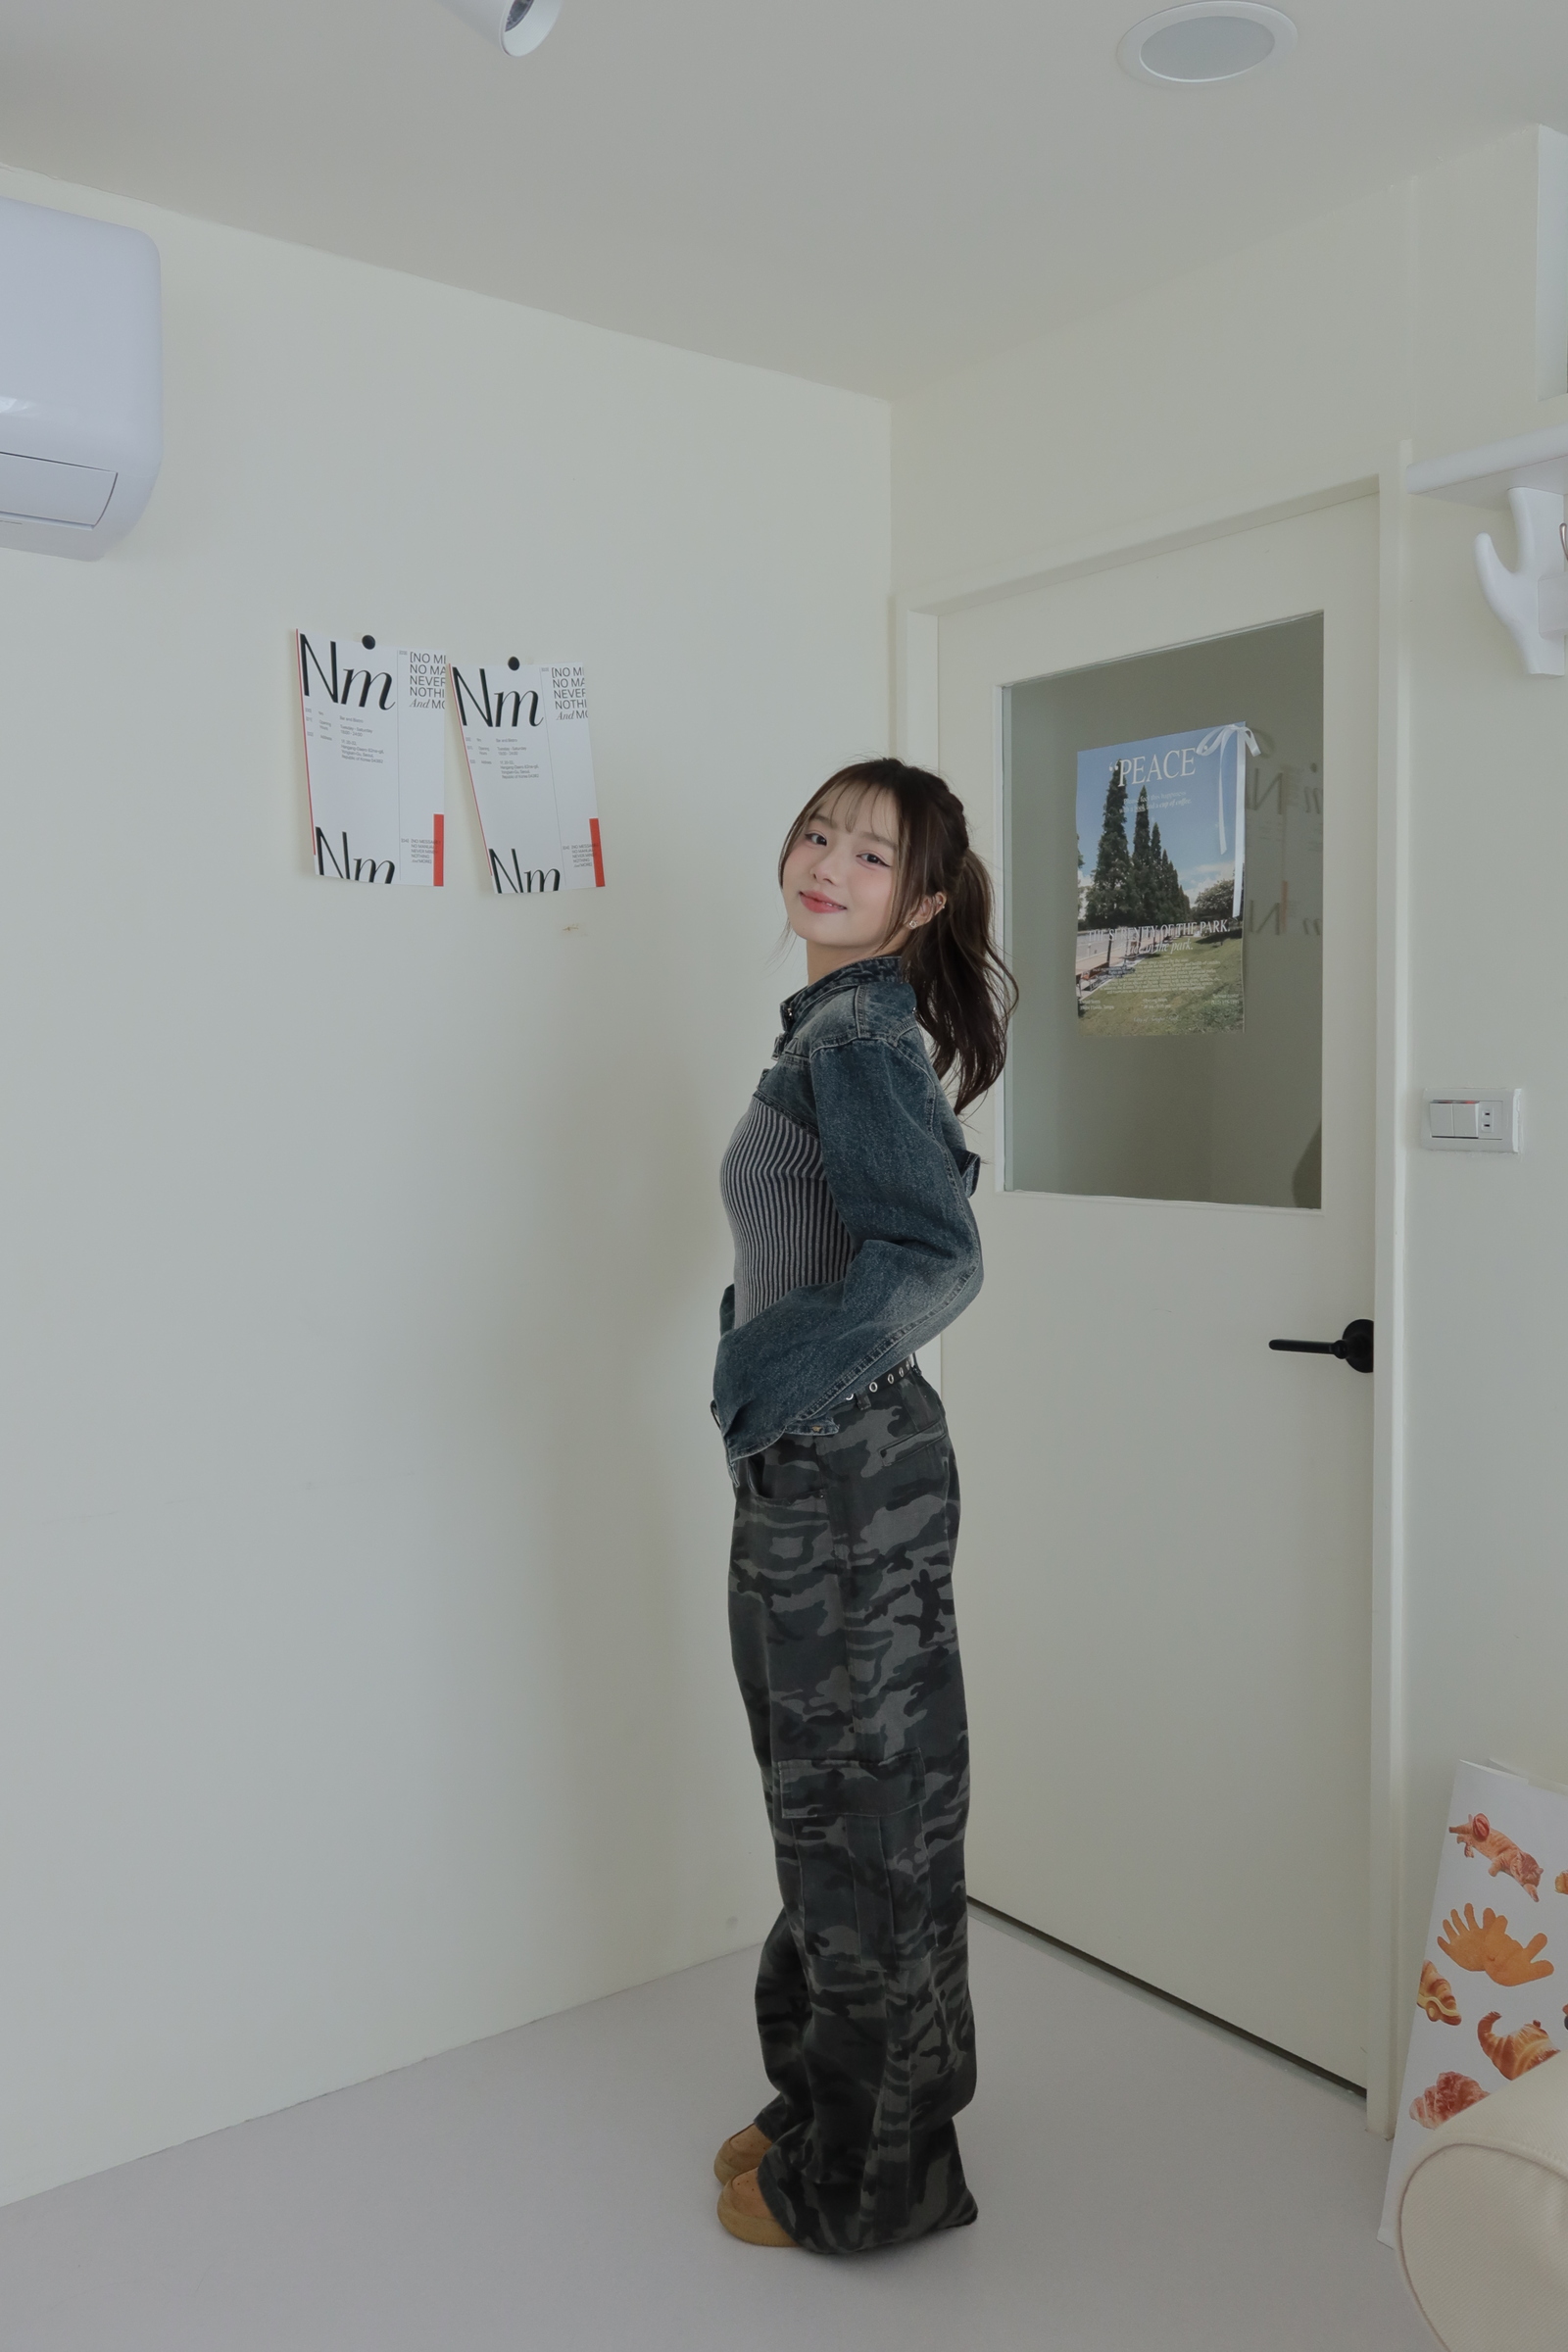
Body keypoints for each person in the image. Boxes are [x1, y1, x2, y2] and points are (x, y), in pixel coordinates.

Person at [710, 757, 1015, 2255]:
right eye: (819, 832)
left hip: (843, 1474)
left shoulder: (859, 1032)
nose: (828, 863)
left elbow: (937, 1256)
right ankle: (834, 2105)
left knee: (861, 1826)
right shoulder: (831, 1023)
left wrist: (765, 1375)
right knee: (841, 1811)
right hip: (826, 1468)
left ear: (925, 901)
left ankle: (876, 2178)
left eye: (873, 854)